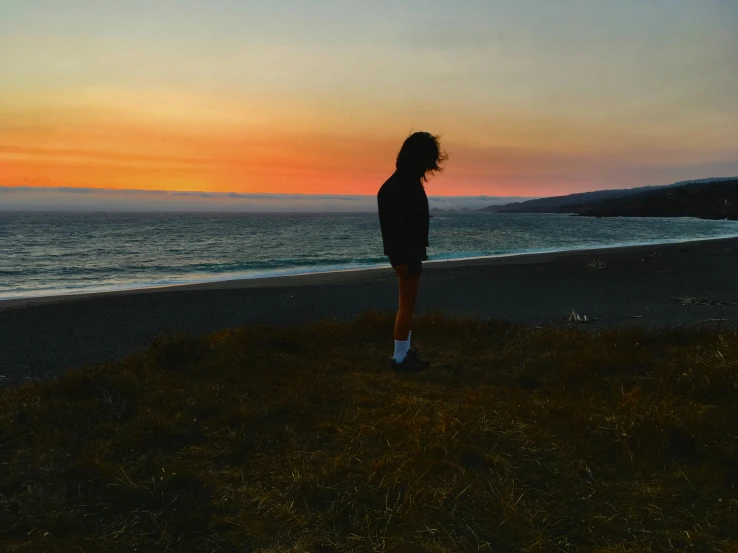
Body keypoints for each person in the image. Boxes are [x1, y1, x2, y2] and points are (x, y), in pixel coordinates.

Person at [377, 132, 447, 372]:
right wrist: (399, 259)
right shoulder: (400, 186)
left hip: (408, 253)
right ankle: (399, 358)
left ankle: (403, 353)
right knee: (406, 305)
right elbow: (393, 227)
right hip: (406, 254)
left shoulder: (400, 184)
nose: (430, 167)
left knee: (407, 305)